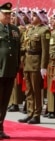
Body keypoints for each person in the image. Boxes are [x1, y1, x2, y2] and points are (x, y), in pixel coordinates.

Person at [18, 8, 50, 124]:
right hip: (28, 62)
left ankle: (37, 114)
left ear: (40, 18)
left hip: (37, 64)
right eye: (32, 16)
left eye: (34, 16)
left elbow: (45, 51)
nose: (32, 18)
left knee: (37, 90)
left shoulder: (44, 31)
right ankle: (30, 112)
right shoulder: (30, 30)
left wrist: (43, 66)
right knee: (29, 90)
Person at [0, 2, 21, 139]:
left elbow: (17, 50)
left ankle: (0, 127)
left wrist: (18, 65)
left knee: (4, 101)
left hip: (10, 70)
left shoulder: (15, 29)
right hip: (0, 69)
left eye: (9, 14)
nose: (8, 16)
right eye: (5, 14)